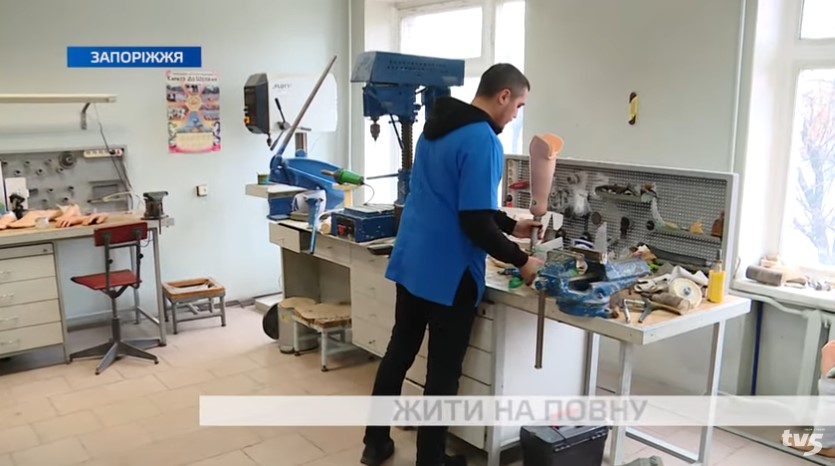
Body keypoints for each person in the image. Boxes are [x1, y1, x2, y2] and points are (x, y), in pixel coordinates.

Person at [361, 63, 545, 466]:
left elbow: (455, 199)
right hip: (449, 274)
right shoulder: (483, 140)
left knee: (398, 354)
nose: (516, 115)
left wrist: (510, 225)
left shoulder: (435, 129)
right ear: (503, 96)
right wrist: (522, 261)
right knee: (442, 375)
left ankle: (375, 443)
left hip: (412, 261)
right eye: (518, 106)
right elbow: (474, 222)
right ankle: (431, 460)